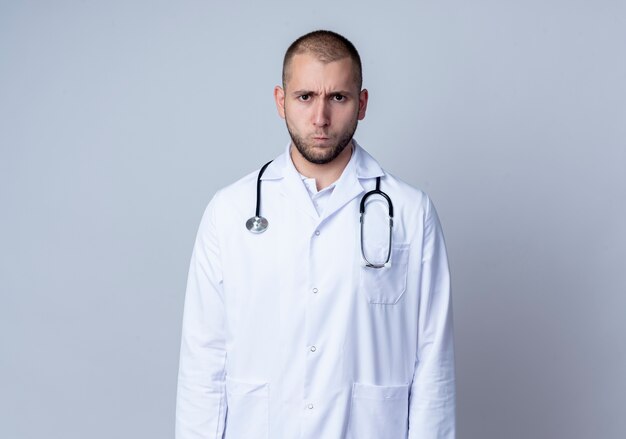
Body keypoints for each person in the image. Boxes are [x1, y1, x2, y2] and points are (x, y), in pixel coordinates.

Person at [175, 30, 455, 439]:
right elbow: (203, 360)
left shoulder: (411, 213)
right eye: (305, 96)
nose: (320, 117)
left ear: (361, 104)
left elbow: (433, 361)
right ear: (280, 100)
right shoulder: (230, 211)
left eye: (337, 98)